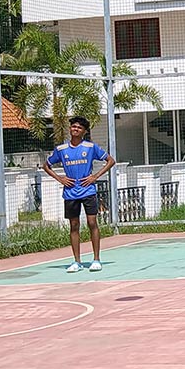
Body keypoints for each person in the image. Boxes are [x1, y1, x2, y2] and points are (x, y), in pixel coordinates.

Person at [43, 116, 116, 273]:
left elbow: (110, 161)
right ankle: (77, 261)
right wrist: (60, 179)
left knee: (92, 223)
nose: (75, 129)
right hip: (70, 193)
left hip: (88, 190)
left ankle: (96, 259)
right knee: (74, 225)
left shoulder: (90, 147)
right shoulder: (61, 149)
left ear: (84, 131)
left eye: (79, 128)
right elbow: (46, 165)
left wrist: (95, 176)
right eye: (73, 126)